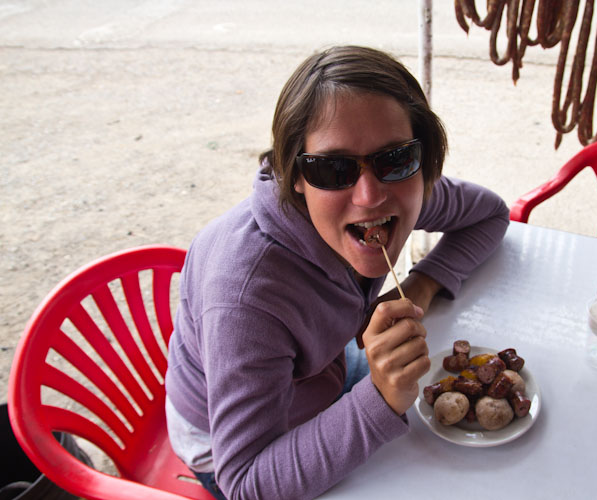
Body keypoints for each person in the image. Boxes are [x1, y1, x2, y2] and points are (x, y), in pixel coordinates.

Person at [165, 45, 510, 500]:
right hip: (229, 444)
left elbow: (490, 215)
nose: (369, 196)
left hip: (324, 368)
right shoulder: (247, 295)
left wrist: (420, 284)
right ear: (294, 176)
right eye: (333, 168)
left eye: (396, 158)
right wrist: (381, 399)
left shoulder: (406, 192)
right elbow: (247, 484)